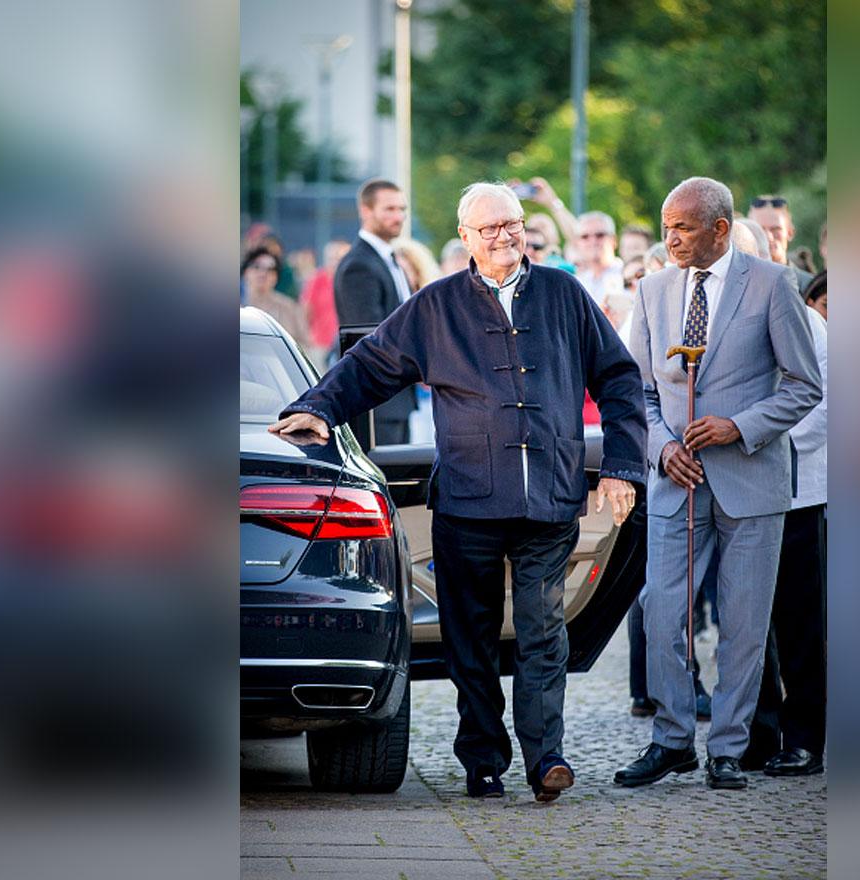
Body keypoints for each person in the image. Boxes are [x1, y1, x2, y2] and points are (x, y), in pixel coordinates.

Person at [270, 182, 646, 804]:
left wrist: (622, 466)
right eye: (490, 227)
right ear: (465, 237)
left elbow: (619, 380)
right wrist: (318, 408)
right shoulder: (436, 305)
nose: (504, 236)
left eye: (512, 224)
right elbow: (371, 365)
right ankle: (483, 761)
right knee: (468, 639)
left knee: (543, 631)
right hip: (468, 503)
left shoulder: (563, 292)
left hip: (550, 498)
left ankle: (546, 757)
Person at [615, 176, 821, 791]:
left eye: (682, 227)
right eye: (666, 226)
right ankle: (672, 739)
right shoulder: (652, 291)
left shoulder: (772, 285)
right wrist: (661, 449)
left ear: (720, 229)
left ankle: (729, 748)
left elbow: (805, 385)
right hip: (677, 482)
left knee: (743, 622)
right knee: (661, 612)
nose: (670, 238)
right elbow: (636, 393)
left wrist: (740, 426)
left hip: (752, 481)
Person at [743, 268, 828, 777]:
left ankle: (804, 738)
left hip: (798, 491)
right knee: (746, 622)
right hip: (739, 492)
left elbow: (825, 404)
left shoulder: (811, 324)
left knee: (799, 624)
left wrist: (760, 445)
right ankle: (756, 732)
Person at [332, 178, 417, 446]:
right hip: (376, 404)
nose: (399, 216)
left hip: (397, 399)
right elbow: (371, 337)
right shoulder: (359, 265)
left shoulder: (389, 260)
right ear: (366, 211)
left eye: (402, 209)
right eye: (389, 209)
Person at [300, 239, 349, 370]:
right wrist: (307, 338)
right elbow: (305, 310)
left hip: (344, 344)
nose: (335, 262)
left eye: (339, 258)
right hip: (320, 345)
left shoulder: (350, 280)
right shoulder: (317, 279)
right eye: (332, 258)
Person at [241, 245, 302, 341]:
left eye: (270, 269)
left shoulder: (289, 308)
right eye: (257, 267)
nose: (263, 273)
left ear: (276, 277)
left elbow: (306, 345)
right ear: (245, 272)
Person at [571, 211, 624, 308]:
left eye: (599, 235)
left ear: (614, 240)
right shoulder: (576, 282)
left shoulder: (628, 275)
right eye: (585, 237)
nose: (593, 241)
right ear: (577, 243)